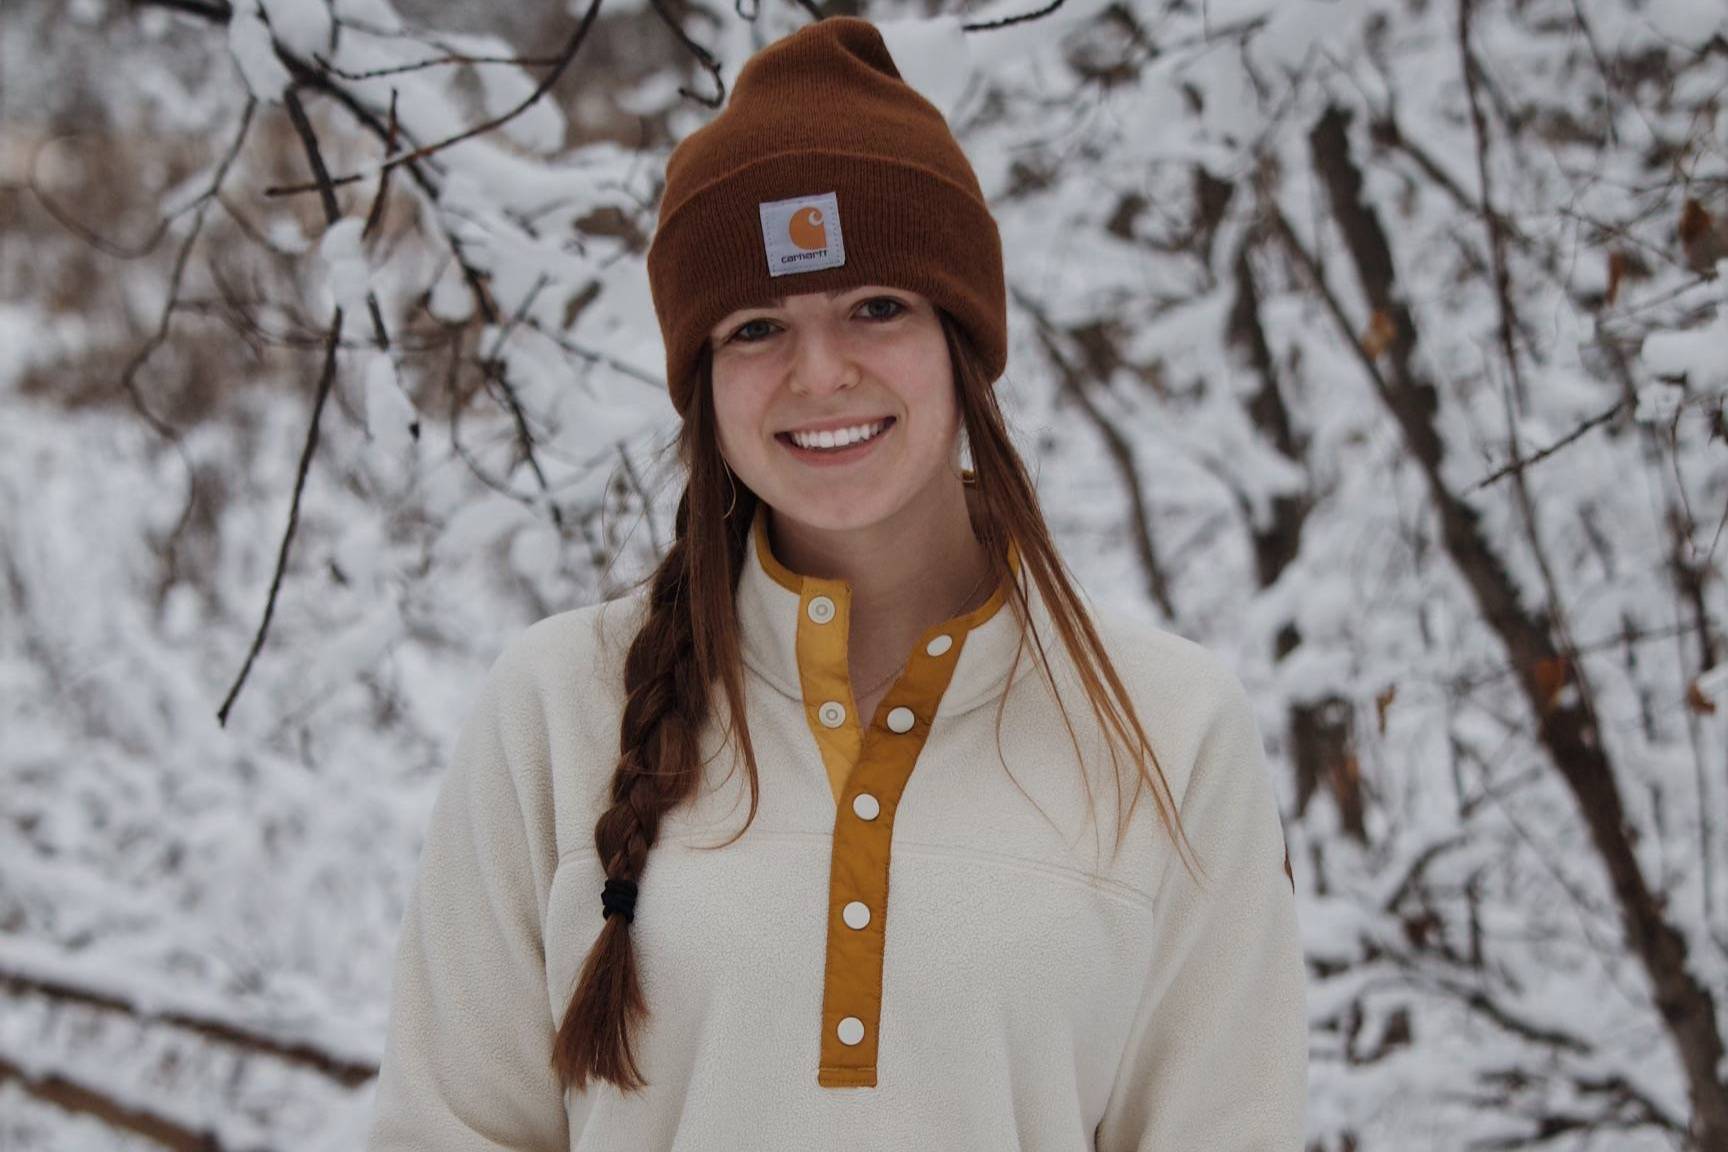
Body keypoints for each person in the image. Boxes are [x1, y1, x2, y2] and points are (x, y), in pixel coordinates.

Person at [366, 15, 1307, 1152]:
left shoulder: (1169, 729)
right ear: (701, 380)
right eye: (757, 327)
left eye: (877, 308)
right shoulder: (560, 708)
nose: (821, 374)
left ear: (962, 339)